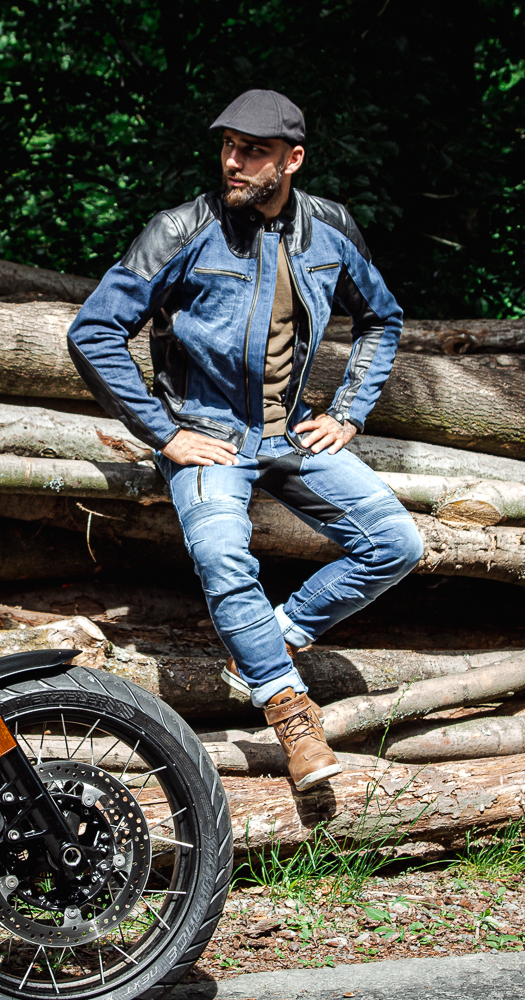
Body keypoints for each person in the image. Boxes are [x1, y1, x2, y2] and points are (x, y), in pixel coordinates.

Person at [67, 89, 423, 790]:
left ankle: (269, 638)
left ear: (292, 160)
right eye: (229, 146)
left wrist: (349, 412)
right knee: (223, 555)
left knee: (396, 544)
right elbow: (94, 330)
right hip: (207, 437)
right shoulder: (180, 229)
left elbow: (382, 318)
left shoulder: (331, 229)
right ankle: (290, 710)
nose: (233, 161)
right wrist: (165, 433)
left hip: (291, 432)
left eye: (254, 150)